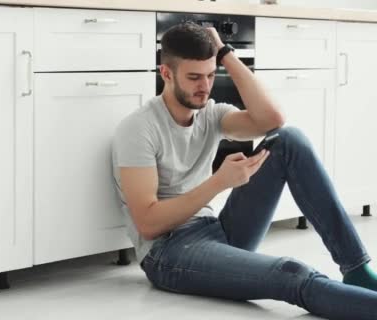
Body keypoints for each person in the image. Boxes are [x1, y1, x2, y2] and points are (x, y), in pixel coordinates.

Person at [111, 22, 377, 319]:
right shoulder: (138, 129)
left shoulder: (210, 114)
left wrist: (224, 52)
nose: (205, 86)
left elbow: (272, 118)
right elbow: (148, 224)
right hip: (169, 252)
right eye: (194, 77)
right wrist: (219, 182)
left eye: (211, 75)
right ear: (166, 74)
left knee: (290, 139)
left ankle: (356, 269)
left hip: (216, 231)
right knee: (293, 273)